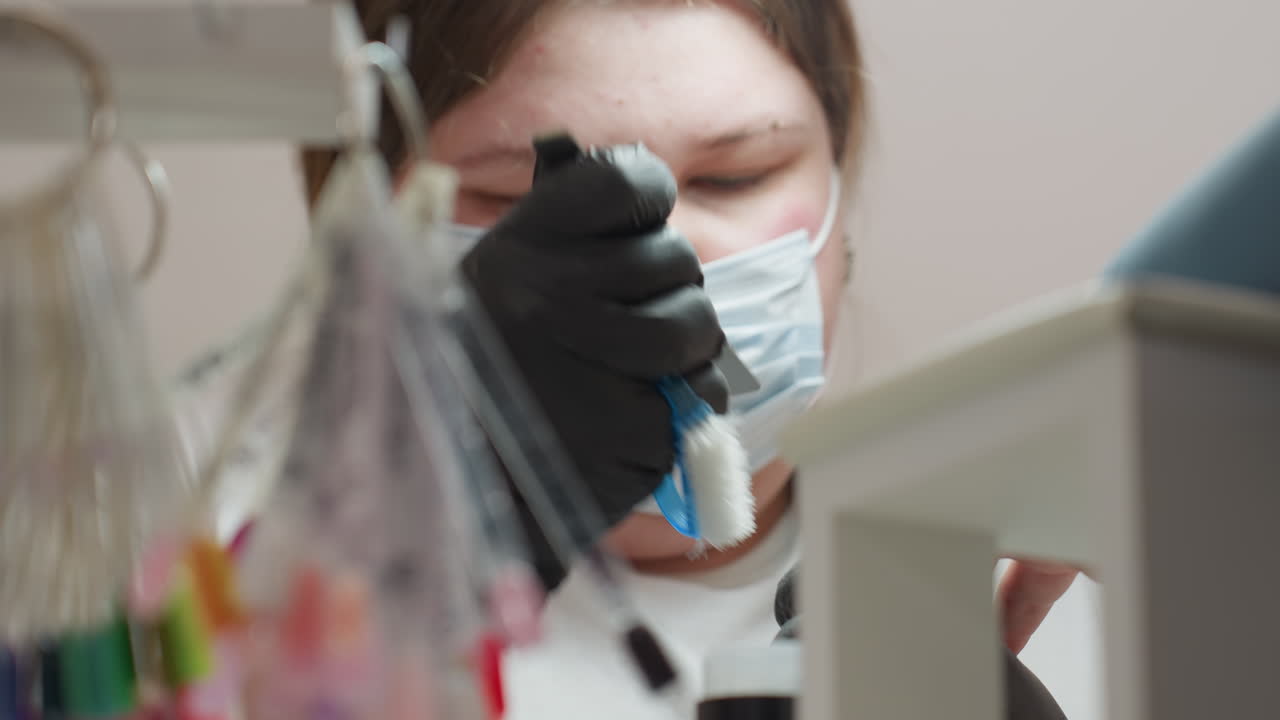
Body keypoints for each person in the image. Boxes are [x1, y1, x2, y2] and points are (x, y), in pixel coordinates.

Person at [179, 1, 1079, 718]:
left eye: (738, 176)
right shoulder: (195, 564)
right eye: (517, 195)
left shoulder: (1039, 588)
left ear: (841, 215)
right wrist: (436, 519)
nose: (663, 259)